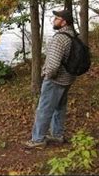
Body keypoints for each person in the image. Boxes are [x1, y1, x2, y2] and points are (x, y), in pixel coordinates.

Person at [24, 9, 77, 149]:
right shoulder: (73, 35)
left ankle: (38, 139)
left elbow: (53, 65)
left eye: (56, 18)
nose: (54, 20)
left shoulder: (59, 38)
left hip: (55, 80)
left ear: (64, 22)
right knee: (59, 108)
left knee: (44, 109)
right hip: (68, 79)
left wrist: (47, 76)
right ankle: (57, 135)